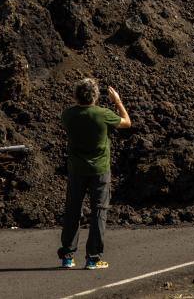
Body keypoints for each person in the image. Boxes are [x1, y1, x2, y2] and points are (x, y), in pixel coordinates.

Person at [57, 78, 132, 269]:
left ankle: (68, 255)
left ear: (76, 95)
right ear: (96, 96)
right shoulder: (103, 114)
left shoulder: (68, 115)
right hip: (99, 170)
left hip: (76, 170)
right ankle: (93, 257)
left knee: (73, 209)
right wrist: (118, 101)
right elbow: (127, 123)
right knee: (99, 211)